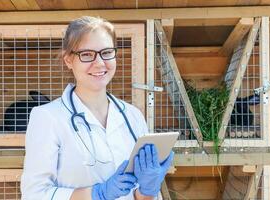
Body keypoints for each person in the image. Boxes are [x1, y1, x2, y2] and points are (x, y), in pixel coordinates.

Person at [21, 16, 174, 200]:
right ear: (68, 60)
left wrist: (147, 191)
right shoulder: (47, 118)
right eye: (86, 54)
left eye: (107, 52)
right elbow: (33, 195)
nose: (100, 62)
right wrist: (97, 194)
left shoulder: (133, 116)